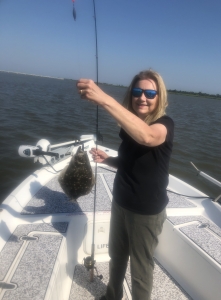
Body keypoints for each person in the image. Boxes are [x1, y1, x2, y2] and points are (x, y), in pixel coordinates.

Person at [76, 69, 174, 300]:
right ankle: (112, 296)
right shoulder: (130, 125)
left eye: (150, 93)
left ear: (159, 97)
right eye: (137, 91)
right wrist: (108, 159)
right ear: (131, 94)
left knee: (140, 269)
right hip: (121, 203)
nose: (143, 97)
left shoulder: (164, 124)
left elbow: (148, 138)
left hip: (146, 211)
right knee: (116, 256)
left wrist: (103, 98)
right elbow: (132, 161)